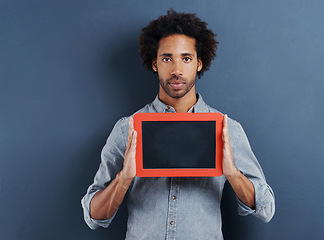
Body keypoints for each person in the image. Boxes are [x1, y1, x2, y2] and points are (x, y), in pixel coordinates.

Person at [81, 9, 275, 239]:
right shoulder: (128, 129)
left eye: (186, 58)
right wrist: (124, 178)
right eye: (166, 58)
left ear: (199, 63)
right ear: (154, 64)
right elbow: (93, 217)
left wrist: (232, 173)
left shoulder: (226, 129)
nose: (176, 70)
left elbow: (266, 209)